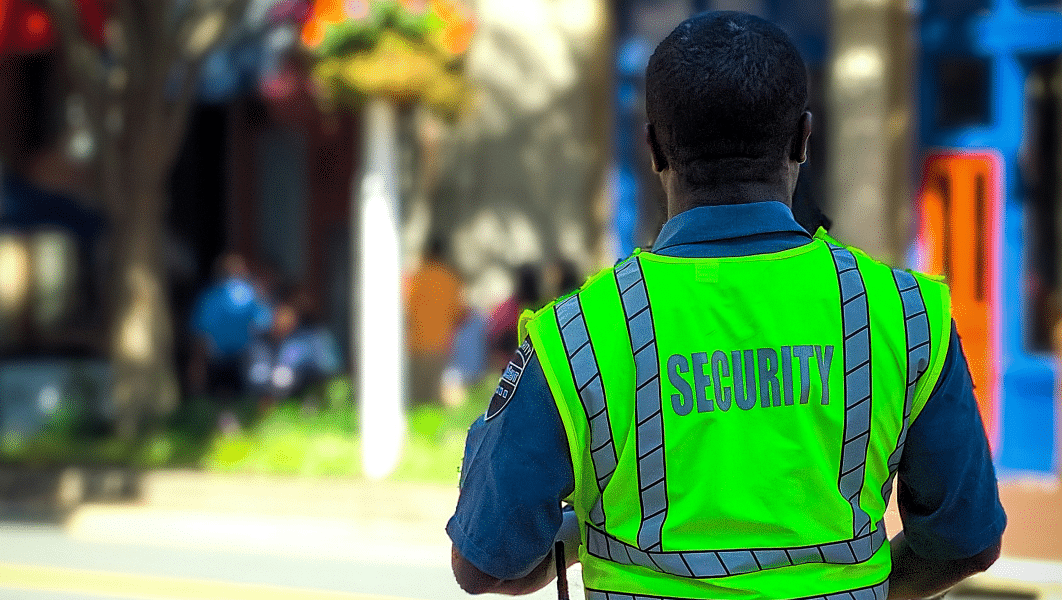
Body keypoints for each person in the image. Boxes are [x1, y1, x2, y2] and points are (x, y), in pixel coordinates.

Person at [447, 11, 1005, 600]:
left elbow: (485, 563)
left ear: (655, 147)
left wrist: (587, 530)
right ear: (802, 139)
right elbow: (965, 539)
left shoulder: (580, 333)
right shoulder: (903, 314)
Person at [187, 252, 273, 398]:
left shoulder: (208, 296)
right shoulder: (251, 293)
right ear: (242, 270)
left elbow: (199, 330)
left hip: (216, 356)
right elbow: (265, 322)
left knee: (219, 396)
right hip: (243, 356)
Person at [405, 237, 468, 404]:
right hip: (440, 345)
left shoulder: (415, 278)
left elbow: (404, 311)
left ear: (427, 254)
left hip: (415, 345)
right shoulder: (451, 279)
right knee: (434, 398)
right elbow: (461, 314)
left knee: (416, 397)